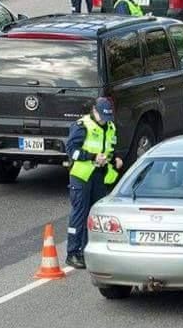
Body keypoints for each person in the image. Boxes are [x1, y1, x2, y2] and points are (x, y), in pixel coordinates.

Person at [64, 97, 123, 270]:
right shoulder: (82, 126)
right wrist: (92, 157)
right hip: (82, 176)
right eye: (102, 116)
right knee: (79, 215)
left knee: (94, 214)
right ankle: (73, 253)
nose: (105, 119)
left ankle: (88, 249)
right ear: (94, 111)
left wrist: (116, 158)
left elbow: (111, 148)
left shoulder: (110, 126)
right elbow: (71, 151)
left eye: (108, 116)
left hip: (99, 175)